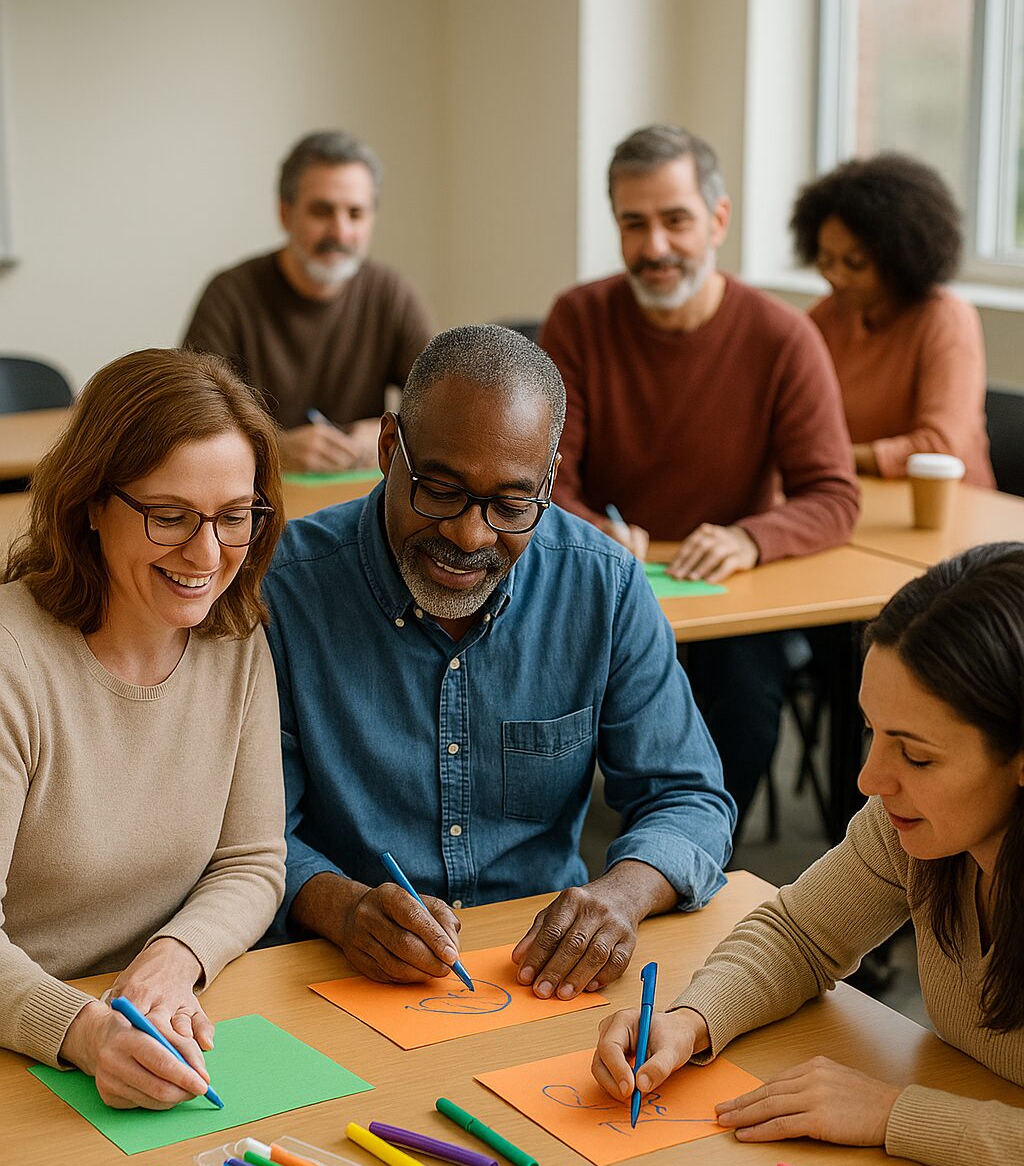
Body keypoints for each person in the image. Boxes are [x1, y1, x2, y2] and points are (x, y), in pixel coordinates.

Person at [594, 542, 1024, 1166]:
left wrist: (894, 1114)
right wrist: (690, 1020)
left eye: (914, 753)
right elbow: (800, 933)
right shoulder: (917, 827)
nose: (870, 779)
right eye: (871, 733)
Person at [262, 323, 735, 997]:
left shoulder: (603, 586)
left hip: (536, 975)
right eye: (442, 490)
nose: (468, 534)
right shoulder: (285, 591)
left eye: (511, 505)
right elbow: (245, 836)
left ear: (547, 483)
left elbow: (688, 797)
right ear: (389, 446)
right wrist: (340, 907)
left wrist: (621, 896)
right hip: (333, 974)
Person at [539, 123, 859, 821]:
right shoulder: (577, 318)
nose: (655, 247)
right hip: (611, 579)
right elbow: (547, 480)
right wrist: (594, 534)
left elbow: (833, 494)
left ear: (717, 219)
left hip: (728, 595)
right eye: (634, 224)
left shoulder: (782, 338)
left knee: (746, 707)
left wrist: (752, 538)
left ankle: (696, 864)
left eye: (675, 220)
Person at [0, 348, 286, 1109]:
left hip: (168, 1024)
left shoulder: (236, 639)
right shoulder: (11, 659)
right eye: (170, 517)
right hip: (31, 1039)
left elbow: (253, 860)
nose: (206, 554)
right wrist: (86, 1032)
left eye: (235, 518)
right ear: (92, 503)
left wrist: (174, 956)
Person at [182, 130, 434, 474]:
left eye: (356, 214)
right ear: (286, 213)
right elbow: (188, 420)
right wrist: (272, 447)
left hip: (356, 497)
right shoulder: (229, 294)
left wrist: (392, 432)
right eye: (321, 211)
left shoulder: (390, 292)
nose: (341, 232)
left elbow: (441, 405)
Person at [791, 152, 995, 487]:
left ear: (900, 260)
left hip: (943, 507)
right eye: (825, 260)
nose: (835, 277)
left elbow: (939, 447)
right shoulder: (826, 315)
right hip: (856, 494)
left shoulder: (944, 318)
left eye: (855, 263)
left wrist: (829, 454)